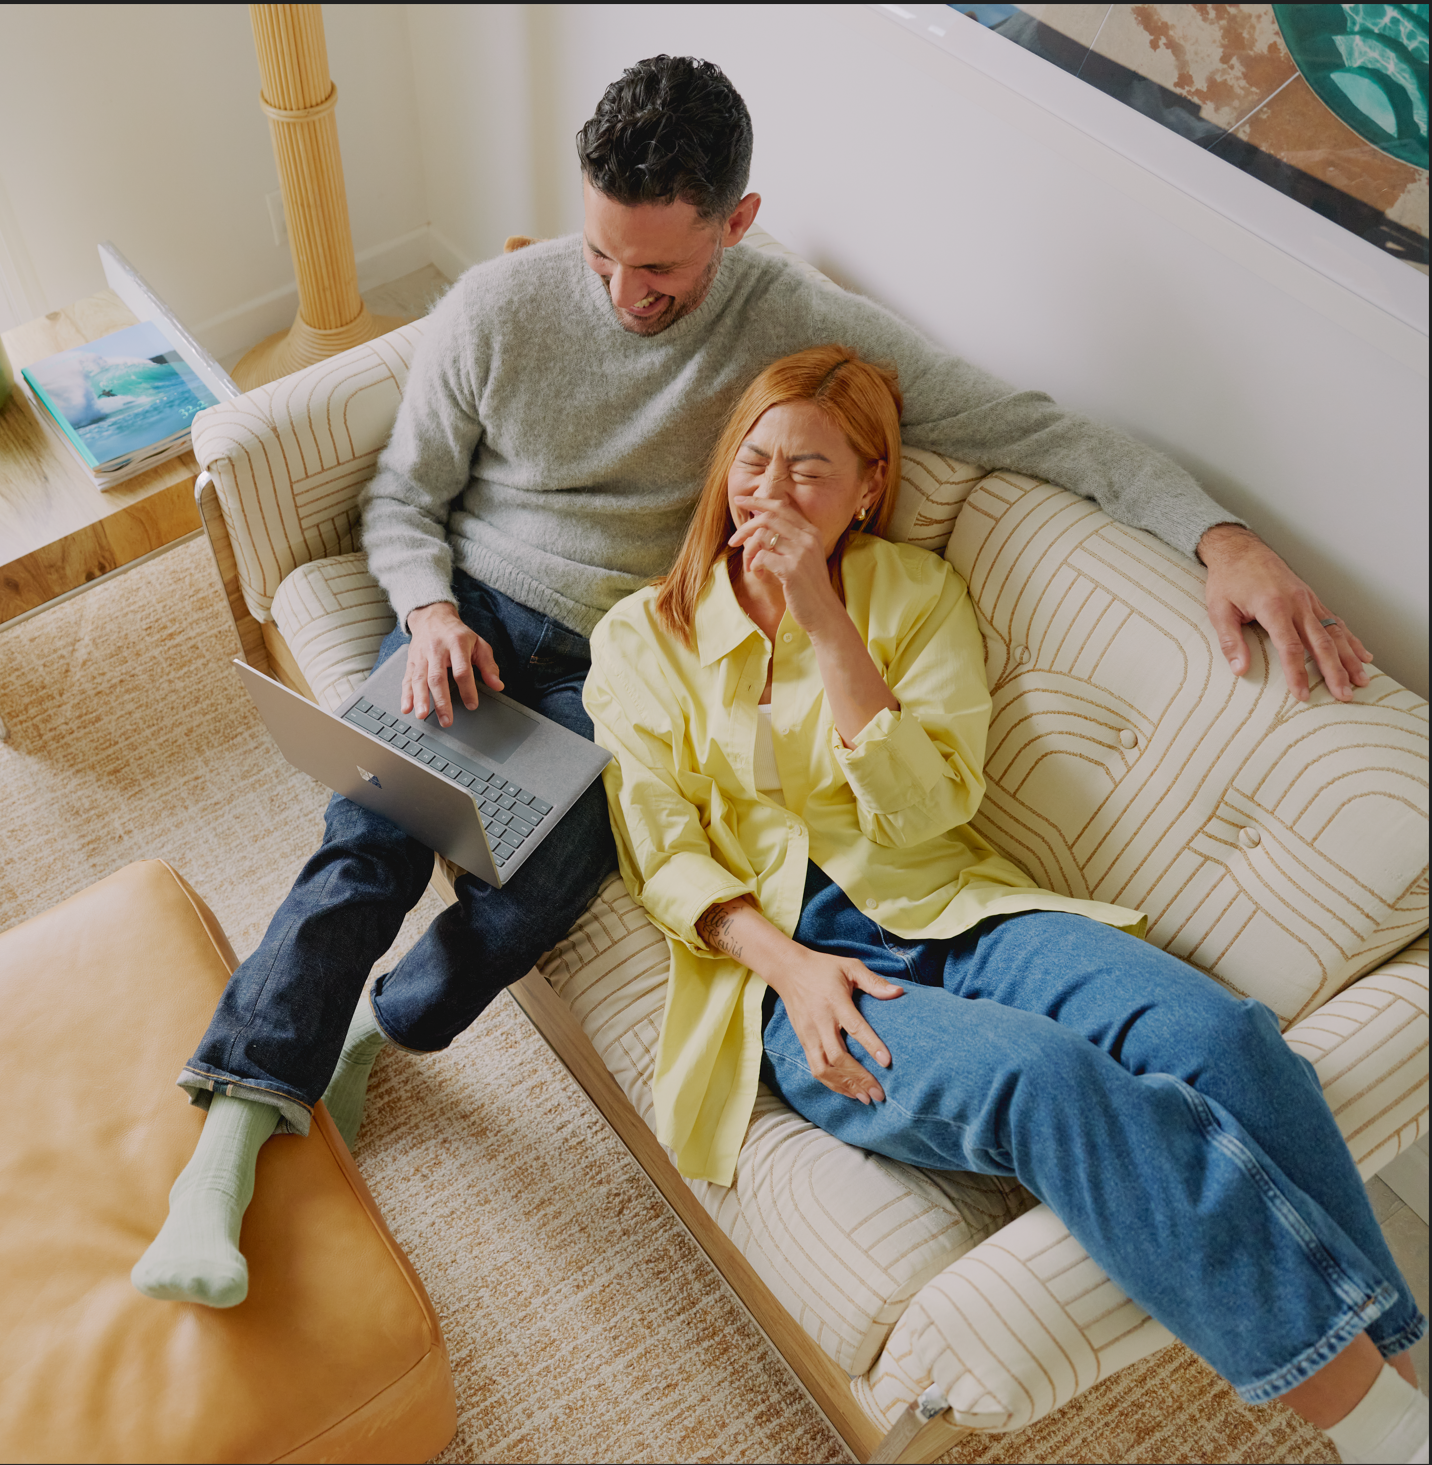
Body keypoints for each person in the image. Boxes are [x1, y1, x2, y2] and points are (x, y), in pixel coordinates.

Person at [131, 55, 1375, 1314]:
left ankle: (379, 1025)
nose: (623, 294)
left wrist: (1219, 536)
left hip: (626, 662)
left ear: (738, 223)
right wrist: (430, 611)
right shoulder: (498, 307)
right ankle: (233, 1129)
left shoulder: (789, 325)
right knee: (371, 832)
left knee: (546, 876)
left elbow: (1028, 426)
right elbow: (404, 496)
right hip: (475, 613)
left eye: (659, 271)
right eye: (602, 254)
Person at [581, 344, 1424, 1464]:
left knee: (1221, 1036)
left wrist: (826, 620)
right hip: (792, 968)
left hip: (953, 907)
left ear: (868, 488)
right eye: (755, 460)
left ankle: (1400, 1394)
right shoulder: (641, 636)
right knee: (1044, 1079)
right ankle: (1378, 1428)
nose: (771, 491)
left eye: (810, 470)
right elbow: (660, 848)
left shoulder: (914, 594)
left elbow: (928, 807)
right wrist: (790, 969)